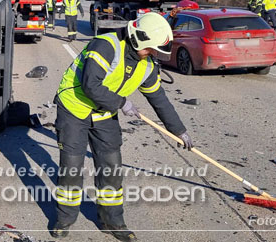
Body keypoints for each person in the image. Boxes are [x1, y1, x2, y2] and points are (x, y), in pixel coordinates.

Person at [51, 13, 192, 240]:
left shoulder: (146, 65)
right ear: (139, 39)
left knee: (111, 169)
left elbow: (159, 99)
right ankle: (64, 219)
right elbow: (90, 84)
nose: (153, 53)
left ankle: (112, 222)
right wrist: (122, 103)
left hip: (104, 113)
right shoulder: (106, 46)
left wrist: (178, 130)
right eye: (151, 49)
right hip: (74, 109)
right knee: (71, 168)